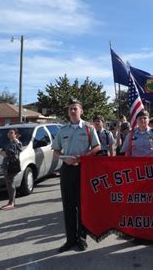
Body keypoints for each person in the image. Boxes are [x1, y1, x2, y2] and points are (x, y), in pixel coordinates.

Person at [52, 98, 101, 253]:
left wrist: (81, 158)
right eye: (70, 109)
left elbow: (97, 146)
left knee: (82, 206)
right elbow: (56, 150)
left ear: (81, 111)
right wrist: (64, 159)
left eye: (75, 108)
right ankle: (70, 239)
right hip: (67, 170)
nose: (72, 111)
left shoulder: (88, 128)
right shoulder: (62, 130)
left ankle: (81, 239)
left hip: (83, 169)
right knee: (68, 206)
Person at [0, 128, 22, 210]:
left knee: (10, 183)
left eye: (12, 133)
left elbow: (19, 148)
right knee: (8, 184)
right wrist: (3, 153)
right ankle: (11, 202)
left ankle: (11, 203)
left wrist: (15, 139)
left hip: (13, 165)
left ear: (16, 134)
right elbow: (2, 152)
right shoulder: (7, 143)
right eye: (8, 132)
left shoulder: (17, 142)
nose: (9, 134)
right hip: (6, 165)